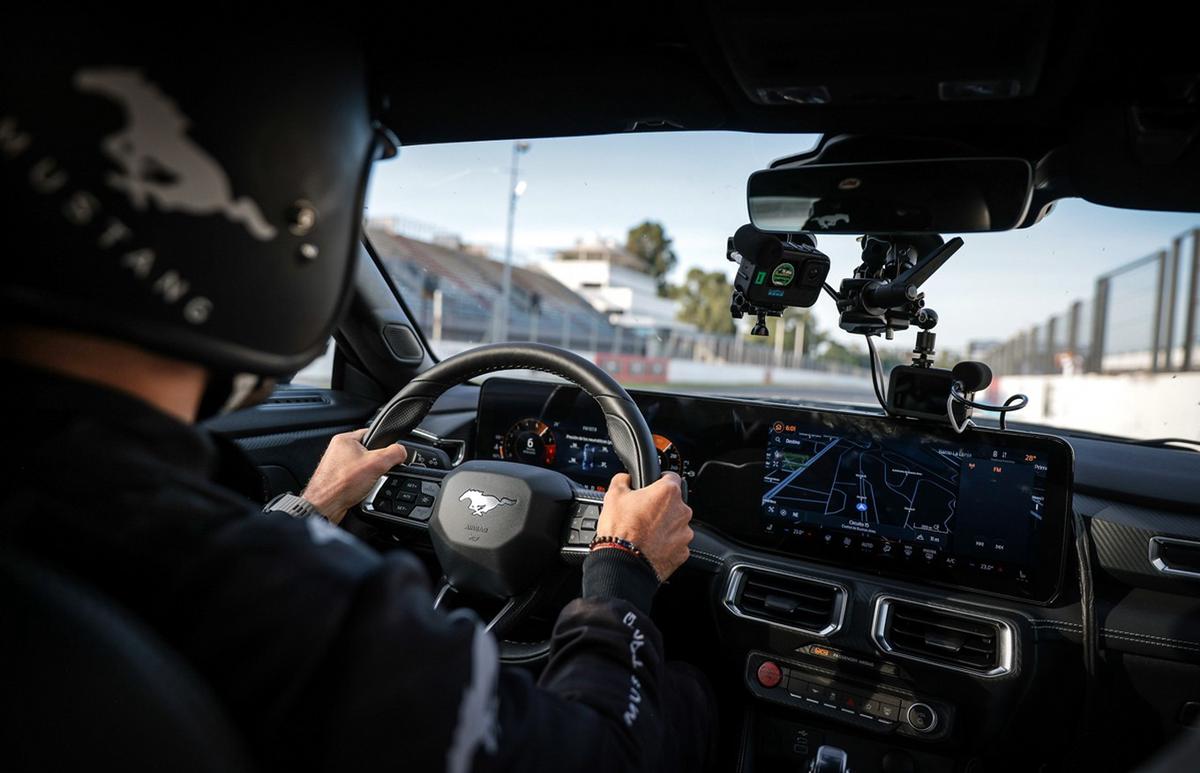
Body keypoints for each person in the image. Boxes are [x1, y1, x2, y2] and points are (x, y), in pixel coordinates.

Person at [0, 22, 714, 773]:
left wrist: (308, 511)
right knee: (692, 693)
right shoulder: (298, 616)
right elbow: (603, 752)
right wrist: (621, 562)